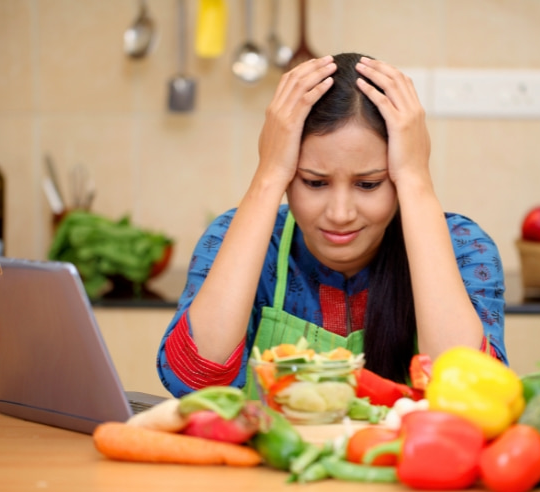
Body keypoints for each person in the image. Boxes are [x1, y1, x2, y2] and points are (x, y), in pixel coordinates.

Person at [157, 53, 506, 398]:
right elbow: (194, 380)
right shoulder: (241, 238)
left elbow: (472, 393)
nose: (340, 214)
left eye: (369, 184)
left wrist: (416, 180)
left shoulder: (462, 247)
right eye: (314, 182)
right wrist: (267, 175)